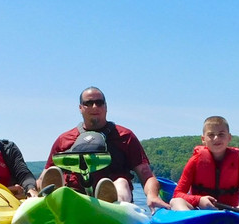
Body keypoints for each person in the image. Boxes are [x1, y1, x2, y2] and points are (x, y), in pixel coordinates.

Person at [40, 87, 168, 208]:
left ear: (106, 107)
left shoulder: (125, 136)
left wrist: (152, 195)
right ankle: (52, 200)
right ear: (80, 108)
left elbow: (146, 175)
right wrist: (31, 191)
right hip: (74, 197)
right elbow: (44, 176)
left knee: (121, 183)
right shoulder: (64, 139)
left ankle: (110, 205)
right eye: (88, 103)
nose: (94, 106)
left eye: (99, 102)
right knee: (58, 183)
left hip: (115, 197)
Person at [169, 116, 239, 212]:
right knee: (175, 201)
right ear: (203, 139)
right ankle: (189, 223)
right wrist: (199, 200)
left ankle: (233, 222)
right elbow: (177, 193)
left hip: (229, 214)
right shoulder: (194, 162)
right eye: (211, 135)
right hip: (199, 212)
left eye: (221, 134)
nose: (216, 138)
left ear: (229, 137)